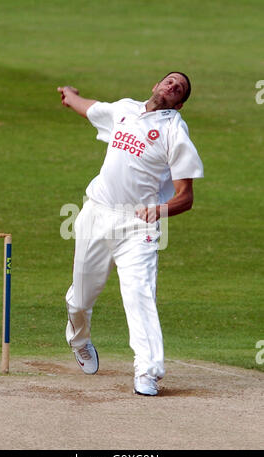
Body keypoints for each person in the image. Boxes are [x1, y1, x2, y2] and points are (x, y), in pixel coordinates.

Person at [57, 72, 204, 396]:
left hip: (138, 225)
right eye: (169, 81)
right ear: (155, 85)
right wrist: (69, 96)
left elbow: (186, 196)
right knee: (80, 300)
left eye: (179, 89)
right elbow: (92, 108)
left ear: (178, 104)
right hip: (96, 213)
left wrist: (159, 211)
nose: (172, 86)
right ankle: (79, 341)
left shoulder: (173, 131)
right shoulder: (124, 109)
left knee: (140, 295)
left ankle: (148, 372)